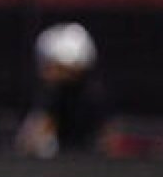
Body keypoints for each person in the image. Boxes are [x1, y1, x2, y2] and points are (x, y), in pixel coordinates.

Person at [16, 22, 109, 157]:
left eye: (54, 66)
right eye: (47, 66)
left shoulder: (93, 99)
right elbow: (31, 141)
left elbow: (106, 143)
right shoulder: (47, 97)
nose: (46, 72)